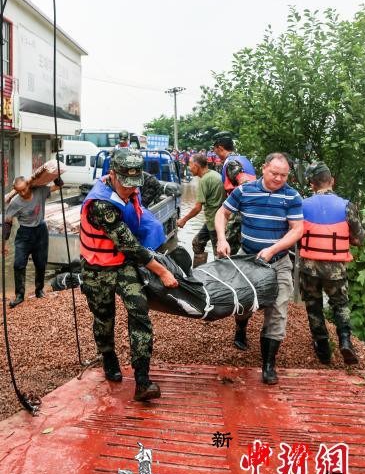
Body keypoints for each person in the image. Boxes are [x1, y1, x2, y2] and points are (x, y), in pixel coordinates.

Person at [80, 147, 178, 401]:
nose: (130, 188)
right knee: (104, 318)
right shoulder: (101, 205)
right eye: (125, 183)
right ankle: (108, 356)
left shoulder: (133, 185)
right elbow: (130, 246)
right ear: (112, 174)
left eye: (134, 182)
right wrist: (163, 271)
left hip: (122, 264)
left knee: (139, 311)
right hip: (97, 268)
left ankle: (142, 380)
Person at [215, 152, 304, 384]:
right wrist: (222, 239)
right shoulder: (244, 191)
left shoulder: (292, 196)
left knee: (278, 309)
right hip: (248, 258)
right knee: (244, 303)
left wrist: (273, 250)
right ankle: (241, 327)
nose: (278, 178)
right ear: (264, 168)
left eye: (283, 175)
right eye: (274, 173)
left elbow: (297, 229)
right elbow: (222, 213)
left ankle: (268, 364)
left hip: (279, 261)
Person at [299, 162, 365, 365]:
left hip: (309, 268)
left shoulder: (302, 205)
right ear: (332, 181)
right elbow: (360, 238)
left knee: (313, 306)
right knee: (340, 305)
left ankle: (323, 350)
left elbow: (295, 233)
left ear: (312, 184)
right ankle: (345, 341)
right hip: (335, 269)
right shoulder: (346, 205)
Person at [212, 131, 257, 350]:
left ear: (220, 148)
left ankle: (221, 295)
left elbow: (243, 189)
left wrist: (232, 211)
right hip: (249, 216)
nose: (215, 154)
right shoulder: (245, 159)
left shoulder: (231, 164)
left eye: (215, 149)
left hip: (241, 215)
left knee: (227, 256)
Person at [4, 175, 63, 308]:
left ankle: (39, 290)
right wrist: (4, 243)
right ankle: (19, 295)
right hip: (24, 234)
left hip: (41, 231)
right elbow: (8, 223)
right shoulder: (15, 203)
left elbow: (58, 186)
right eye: (18, 191)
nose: (22, 193)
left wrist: (56, 176)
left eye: (23, 189)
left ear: (28, 186)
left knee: (41, 263)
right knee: (18, 264)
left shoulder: (40, 191)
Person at [176, 153, 225, 267]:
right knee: (197, 242)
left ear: (196, 166)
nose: (189, 168)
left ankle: (219, 279)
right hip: (213, 220)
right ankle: (200, 272)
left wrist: (184, 220)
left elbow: (197, 208)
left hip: (214, 222)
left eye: (190, 165)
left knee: (219, 255)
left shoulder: (204, 180)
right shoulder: (215, 174)